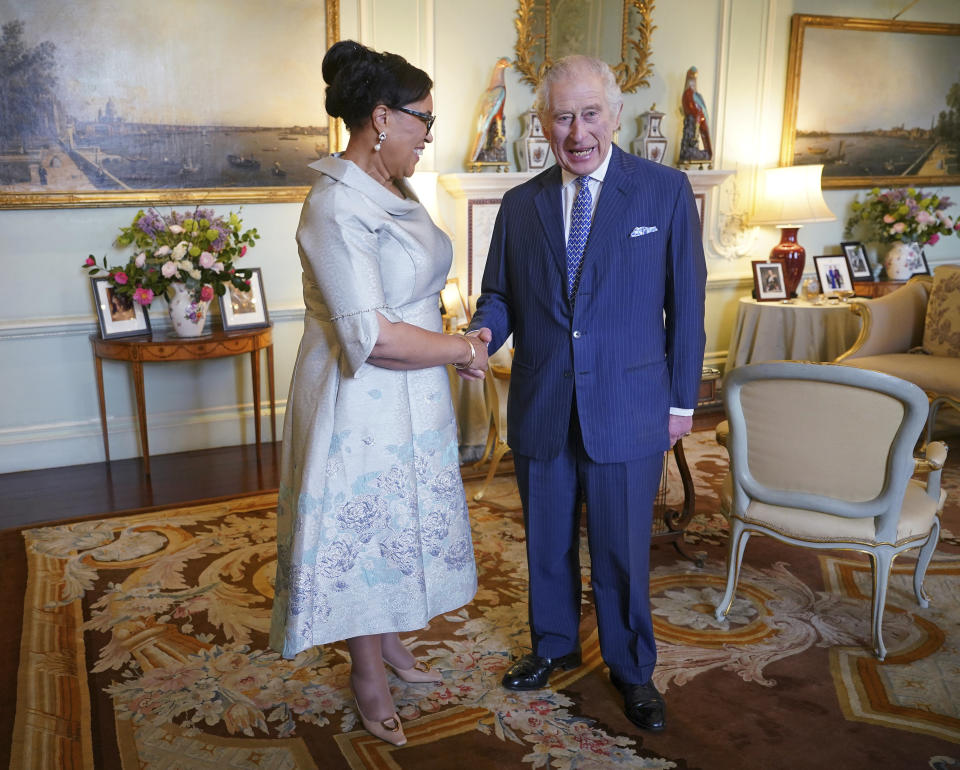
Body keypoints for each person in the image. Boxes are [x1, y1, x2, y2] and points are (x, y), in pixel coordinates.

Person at [462, 55, 706, 732]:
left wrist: (681, 404)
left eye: (590, 114)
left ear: (616, 115)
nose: (577, 132)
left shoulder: (663, 192)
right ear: (542, 122)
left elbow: (685, 308)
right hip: (543, 402)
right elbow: (501, 295)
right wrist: (482, 334)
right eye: (562, 116)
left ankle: (632, 670)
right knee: (546, 541)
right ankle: (553, 647)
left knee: (623, 549)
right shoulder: (520, 204)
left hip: (629, 408)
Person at [270, 40, 486, 748]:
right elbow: (372, 336)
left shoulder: (395, 182)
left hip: (413, 393)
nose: (431, 133)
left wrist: (454, 339)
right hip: (358, 400)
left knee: (401, 519)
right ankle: (367, 676)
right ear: (381, 117)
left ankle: (389, 641)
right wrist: (459, 350)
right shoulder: (333, 207)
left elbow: (413, 285)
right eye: (425, 118)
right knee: (363, 531)